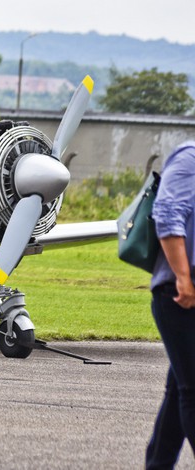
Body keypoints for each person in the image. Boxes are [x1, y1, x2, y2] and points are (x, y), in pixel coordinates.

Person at [145, 140, 195, 469]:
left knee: (180, 387)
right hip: (180, 295)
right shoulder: (190, 158)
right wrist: (183, 277)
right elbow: (166, 214)